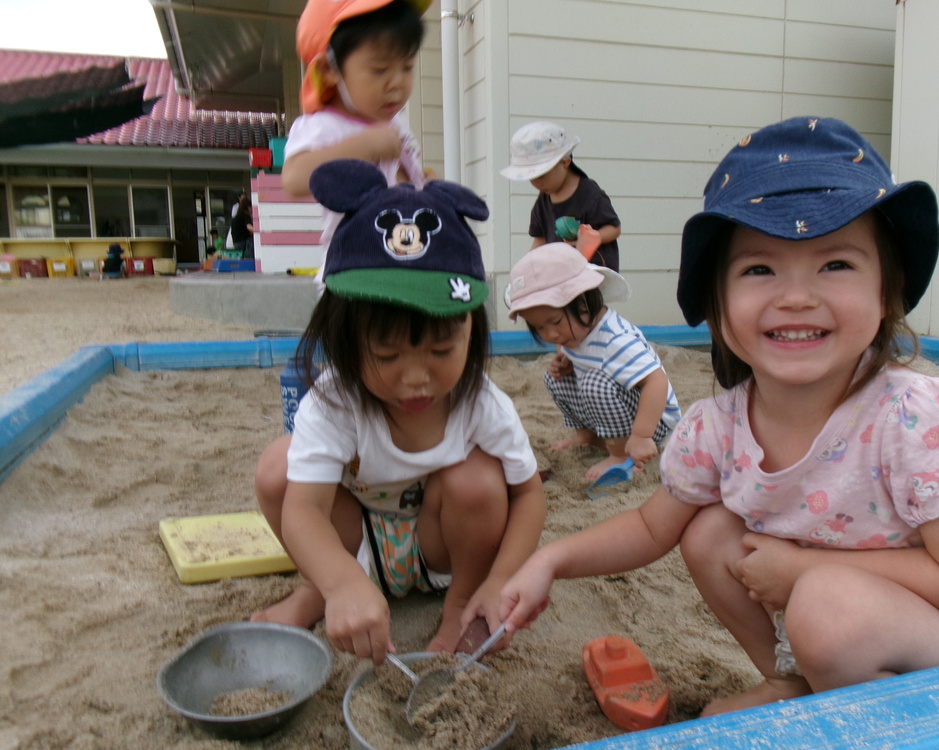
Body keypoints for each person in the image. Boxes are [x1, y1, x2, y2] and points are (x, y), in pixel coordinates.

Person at [498, 116, 939, 717]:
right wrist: (549, 560)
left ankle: (853, 705)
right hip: (830, 622)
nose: (796, 296)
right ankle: (790, 679)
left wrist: (805, 569)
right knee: (708, 532)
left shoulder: (915, 417)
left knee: (824, 607)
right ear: (717, 299)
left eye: (836, 264)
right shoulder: (717, 427)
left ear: (886, 288)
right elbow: (652, 529)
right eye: (759, 269)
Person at [252, 159, 546, 663]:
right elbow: (304, 511)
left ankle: (461, 603)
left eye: (441, 350)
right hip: (356, 545)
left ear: (471, 331)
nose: (416, 378)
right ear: (342, 338)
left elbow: (528, 495)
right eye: (386, 355)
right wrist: (340, 581)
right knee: (278, 467)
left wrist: (499, 581)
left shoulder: (480, 403)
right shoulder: (335, 401)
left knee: (477, 480)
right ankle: (317, 590)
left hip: (441, 550)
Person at [284, 0, 432, 291]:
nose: (397, 83)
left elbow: (403, 179)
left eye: (407, 67)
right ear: (329, 69)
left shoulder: (397, 123)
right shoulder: (324, 126)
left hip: (407, 263)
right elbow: (294, 179)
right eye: (379, 70)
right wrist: (363, 146)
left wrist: (426, 186)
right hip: (353, 273)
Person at [507, 242, 681, 481]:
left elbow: (656, 381)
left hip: (653, 420)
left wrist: (642, 436)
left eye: (556, 322)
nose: (551, 334)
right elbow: (589, 360)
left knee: (594, 382)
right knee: (554, 378)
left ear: (584, 303)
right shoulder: (577, 334)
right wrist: (570, 362)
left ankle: (620, 454)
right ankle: (588, 436)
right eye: (539, 327)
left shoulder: (615, 339)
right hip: (617, 412)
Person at [501, 121, 622, 272]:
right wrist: (528, 267)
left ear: (565, 162)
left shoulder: (590, 194)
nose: (537, 183)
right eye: (532, 178)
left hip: (594, 275)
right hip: (562, 274)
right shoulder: (543, 202)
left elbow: (614, 228)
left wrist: (596, 237)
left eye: (542, 175)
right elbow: (540, 239)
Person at [229, 194, 255, 259]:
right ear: (248, 207)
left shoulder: (236, 216)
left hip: (236, 242)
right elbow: (249, 227)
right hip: (243, 242)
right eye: (251, 207)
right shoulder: (246, 215)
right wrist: (259, 231)